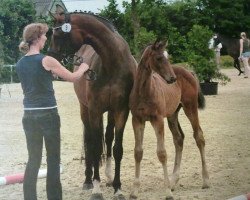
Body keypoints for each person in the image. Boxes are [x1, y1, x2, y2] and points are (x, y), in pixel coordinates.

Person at [16, 23, 89, 200]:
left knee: (33, 159)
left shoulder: (20, 63)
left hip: (29, 115)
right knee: (53, 159)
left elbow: (37, 80)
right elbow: (73, 78)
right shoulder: (47, 60)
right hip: (48, 114)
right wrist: (84, 67)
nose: (46, 38)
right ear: (37, 38)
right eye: (44, 35)